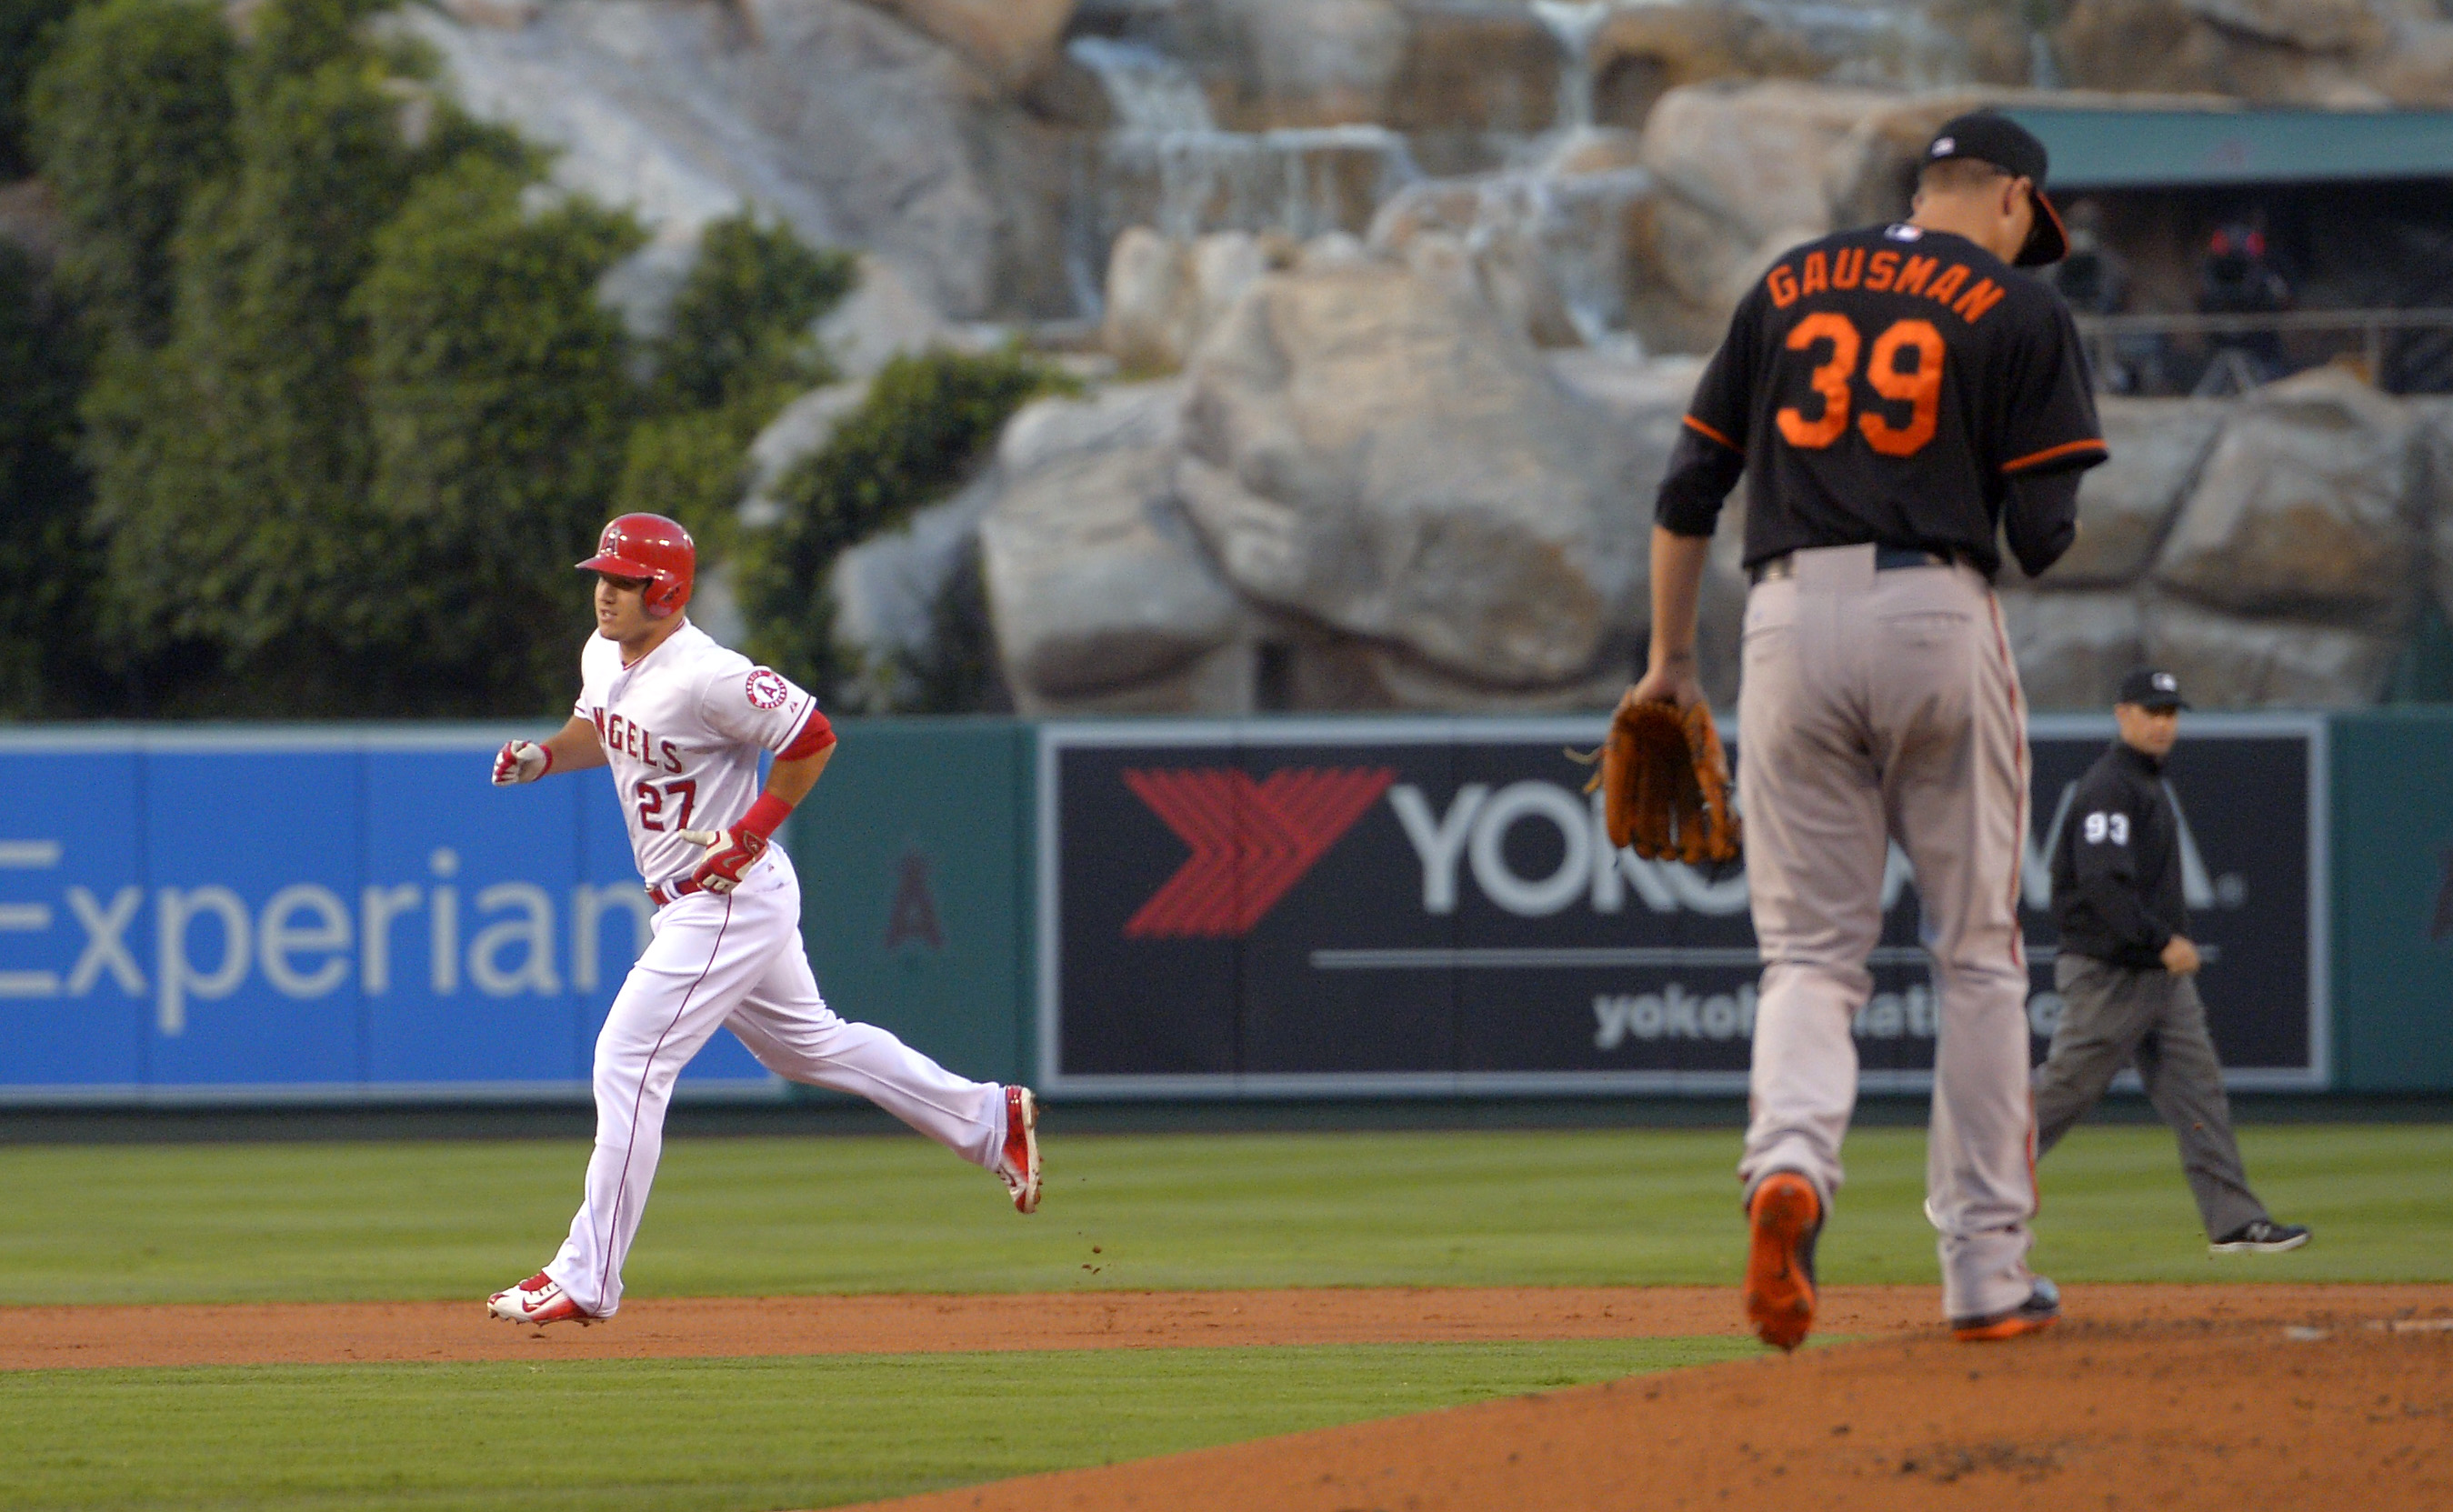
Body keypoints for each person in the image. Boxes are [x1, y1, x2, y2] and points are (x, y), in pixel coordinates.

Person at [1630, 112, 2107, 1349]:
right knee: (1977, 955)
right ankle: (1985, 1273)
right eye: (2029, 226)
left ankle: (1788, 1167)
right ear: (2011, 198)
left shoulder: (1789, 281)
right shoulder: (2017, 307)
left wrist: (1669, 663)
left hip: (1783, 620)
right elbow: (2043, 537)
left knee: (1807, 956)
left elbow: (1686, 490)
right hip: (1930, 612)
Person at [483, 513, 1041, 1327]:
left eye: (624, 580)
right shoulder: (603, 652)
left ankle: (587, 1273)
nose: (605, 592)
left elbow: (812, 736)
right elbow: (600, 728)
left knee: (627, 1058)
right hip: (701, 898)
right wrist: (545, 756)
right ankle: (989, 1118)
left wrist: (748, 831)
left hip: (727, 895)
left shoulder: (708, 674)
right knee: (808, 1045)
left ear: (665, 591)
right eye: (602, 576)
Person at [2036, 667, 2310, 1255]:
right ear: (2122, 715)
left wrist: (2158, 949)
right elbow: (2101, 882)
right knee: (2069, 1086)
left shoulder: (2145, 783)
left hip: (2154, 975)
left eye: (2170, 713)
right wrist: (2160, 939)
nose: (2163, 724)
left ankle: (2234, 1220)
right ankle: (1971, 1180)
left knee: (2198, 1092)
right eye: (2151, 711)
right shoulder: (2110, 786)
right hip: (2112, 969)